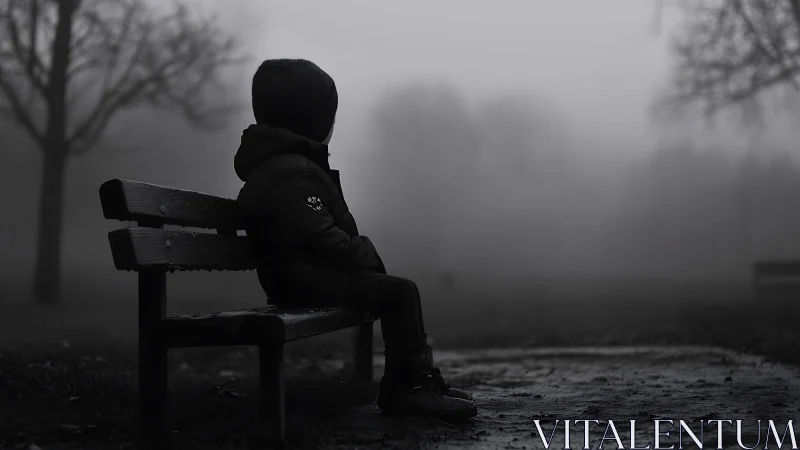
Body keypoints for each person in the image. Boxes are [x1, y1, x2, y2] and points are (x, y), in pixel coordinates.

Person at [234, 58, 477, 421]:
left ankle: (415, 381)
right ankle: (408, 389)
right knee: (399, 292)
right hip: (302, 280)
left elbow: (313, 232)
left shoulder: (290, 167)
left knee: (395, 291)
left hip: (299, 276)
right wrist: (365, 252)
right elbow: (321, 238)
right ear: (316, 121)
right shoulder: (292, 172)